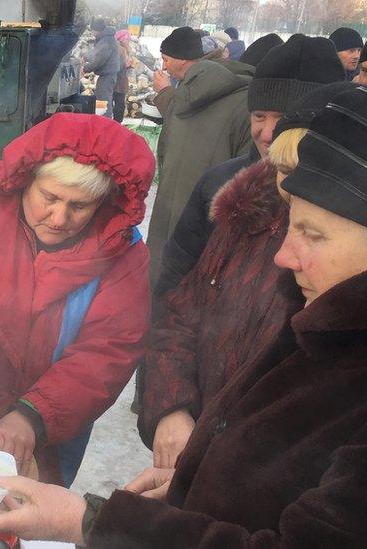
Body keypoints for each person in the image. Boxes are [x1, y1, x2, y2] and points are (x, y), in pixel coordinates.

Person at [0, 85, 367, 548]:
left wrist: (99, 524)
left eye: (312, 234)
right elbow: (181, 313)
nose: (283, 256)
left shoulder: (328, 335)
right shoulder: (316, 315)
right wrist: (198, 477)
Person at [0, 114, 155, 487]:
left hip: (44, 431)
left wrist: (35, 415)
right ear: (26, 181)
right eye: (49, 198)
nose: (59, 217)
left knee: (16, 522)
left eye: (80, 206)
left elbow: (108, 350)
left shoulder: (123, 254)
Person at [141, 80, 356, 468]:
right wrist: (172, 407)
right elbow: (179, 312)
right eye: (282, 167)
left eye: (303, 170)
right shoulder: (242, 216)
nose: (289, 186)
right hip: (196, 451)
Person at [153, 35, 346, 298]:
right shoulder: (220, 185)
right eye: (259, 116)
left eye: (283, 119)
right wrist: (169, 336)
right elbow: (175, 276)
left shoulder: (346, 205)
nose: (266, 133)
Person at [148, 26, 251, 285]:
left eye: (166, 60)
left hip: (195, 210)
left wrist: (163, 91)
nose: (165, 66)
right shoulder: (206, 87)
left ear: (182, 59)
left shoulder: (201, 91)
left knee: (171, 277)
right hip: (195, 208)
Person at [84, 19, 121, 119]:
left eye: (92, 30)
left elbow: (98, 60)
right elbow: (95, 54)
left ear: (97, 30)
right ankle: (104, 121)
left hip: (107, 76)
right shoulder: (105, 39)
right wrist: (85, 56)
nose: (91, 32)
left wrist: (85, 68)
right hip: (107, 75)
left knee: (104, 101)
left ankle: (105, 123)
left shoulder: (106, 40)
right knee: (103, 99)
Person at [112, 29, 133, 122]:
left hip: (121, 81)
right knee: (118, 105)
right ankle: (116, 124)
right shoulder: (119, 49)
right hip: (116, 81)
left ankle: (116, 123)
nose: (128, 41)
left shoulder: (126, 49)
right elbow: (115, 65)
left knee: (119, 105)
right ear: (121, 39)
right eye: (127, 39)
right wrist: (126, 65)